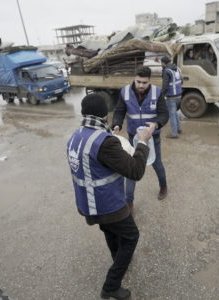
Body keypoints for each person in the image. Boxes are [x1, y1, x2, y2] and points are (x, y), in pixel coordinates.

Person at [67, 93, 155, 300]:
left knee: (110, 231)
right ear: (105, 114)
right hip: (107, 205)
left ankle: (118, 259)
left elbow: (93, 162)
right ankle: (111, 286)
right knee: (131, 236)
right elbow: (135, 171)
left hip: (87, 203)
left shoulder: (76, 135)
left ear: (84, 112)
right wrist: (142, 142)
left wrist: (112, 135)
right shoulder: (106, 143)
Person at [112, 66, 169, 202]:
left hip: (152, 137)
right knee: (131, 168)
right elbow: (119, 111)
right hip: (133, 137)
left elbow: (164, 114)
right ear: (134, 79)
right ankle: (129, 201)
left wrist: (156, 124)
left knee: (157, 164)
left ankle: (163, 187)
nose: (141, 85)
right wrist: (116, 124)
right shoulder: (125, 92)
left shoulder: (157, 92)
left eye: (144, 82)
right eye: (138, 82)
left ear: (149, 81)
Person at [161, 56, 183, 138]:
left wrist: (162, 95)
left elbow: (165, 85)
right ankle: (178, 129)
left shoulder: (167, 71)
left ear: (164, 63)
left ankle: (174, 133)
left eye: (161, 63)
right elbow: (182, 81)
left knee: (172, 114)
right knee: (175, 112)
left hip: (171, 97)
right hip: (179, 95)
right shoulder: (177, 69)